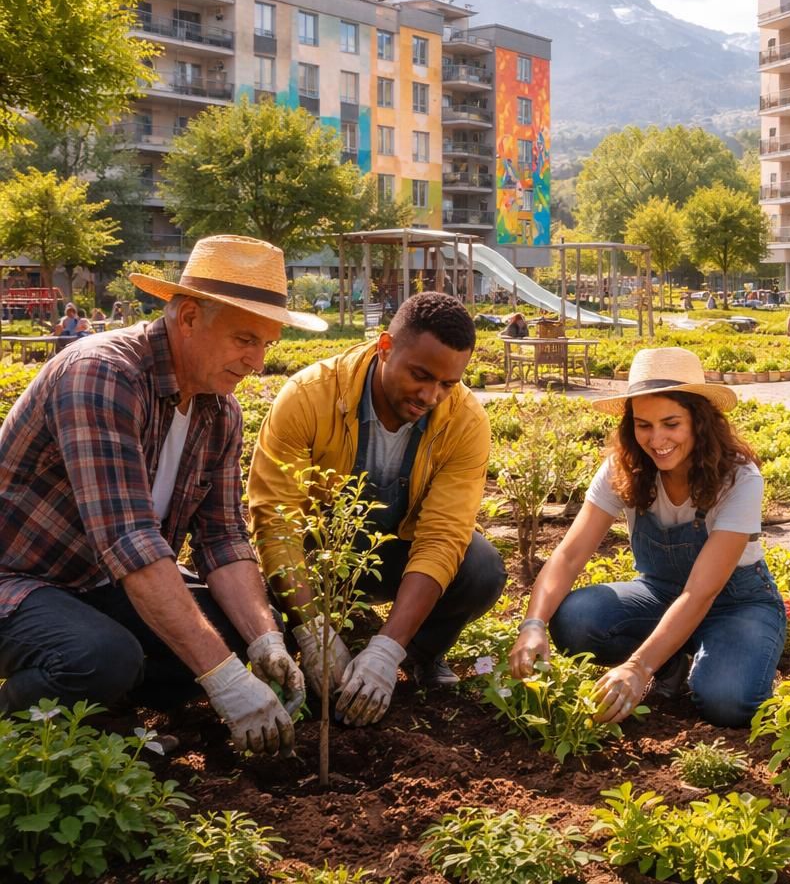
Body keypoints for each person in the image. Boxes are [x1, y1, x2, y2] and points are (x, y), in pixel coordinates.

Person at [0, 236, 327, 754]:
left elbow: (222, 535)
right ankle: (20, 724)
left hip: (102, 582)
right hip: (20, 579)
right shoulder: (102, 375)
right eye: (246, 339)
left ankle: (105, 709)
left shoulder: (219, 410)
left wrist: (265, 638)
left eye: (268, 343)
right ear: (190, 317)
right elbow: (129, 540)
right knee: (101, 658)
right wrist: (223, 680)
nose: (258, 362)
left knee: (242, 633)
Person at [249, 292, 503, 727]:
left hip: (395, 554)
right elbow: (276, 520)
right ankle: (308, 648)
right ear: (386, 348)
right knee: (268, 587)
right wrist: (313, 630)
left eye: (448, 384)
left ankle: (416, 653)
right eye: (420, 375)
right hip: (320, 555)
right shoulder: (309, 396)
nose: (431, 395)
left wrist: (389, 648)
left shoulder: (465, 421)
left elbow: (443, 536)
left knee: (480, 568)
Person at [507, 348, 783, 727]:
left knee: (727, 701)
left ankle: (722, 651)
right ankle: (673, 659)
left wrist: (638, 668)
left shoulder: (738, 479)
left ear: (698, 421)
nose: (657, 440)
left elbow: (701, 591)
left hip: (735, 603)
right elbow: (569, 556)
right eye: (643, 425)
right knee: (575, 620)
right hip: (660, 593)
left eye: (671, 424)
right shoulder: (625, 468)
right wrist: (532, 625)